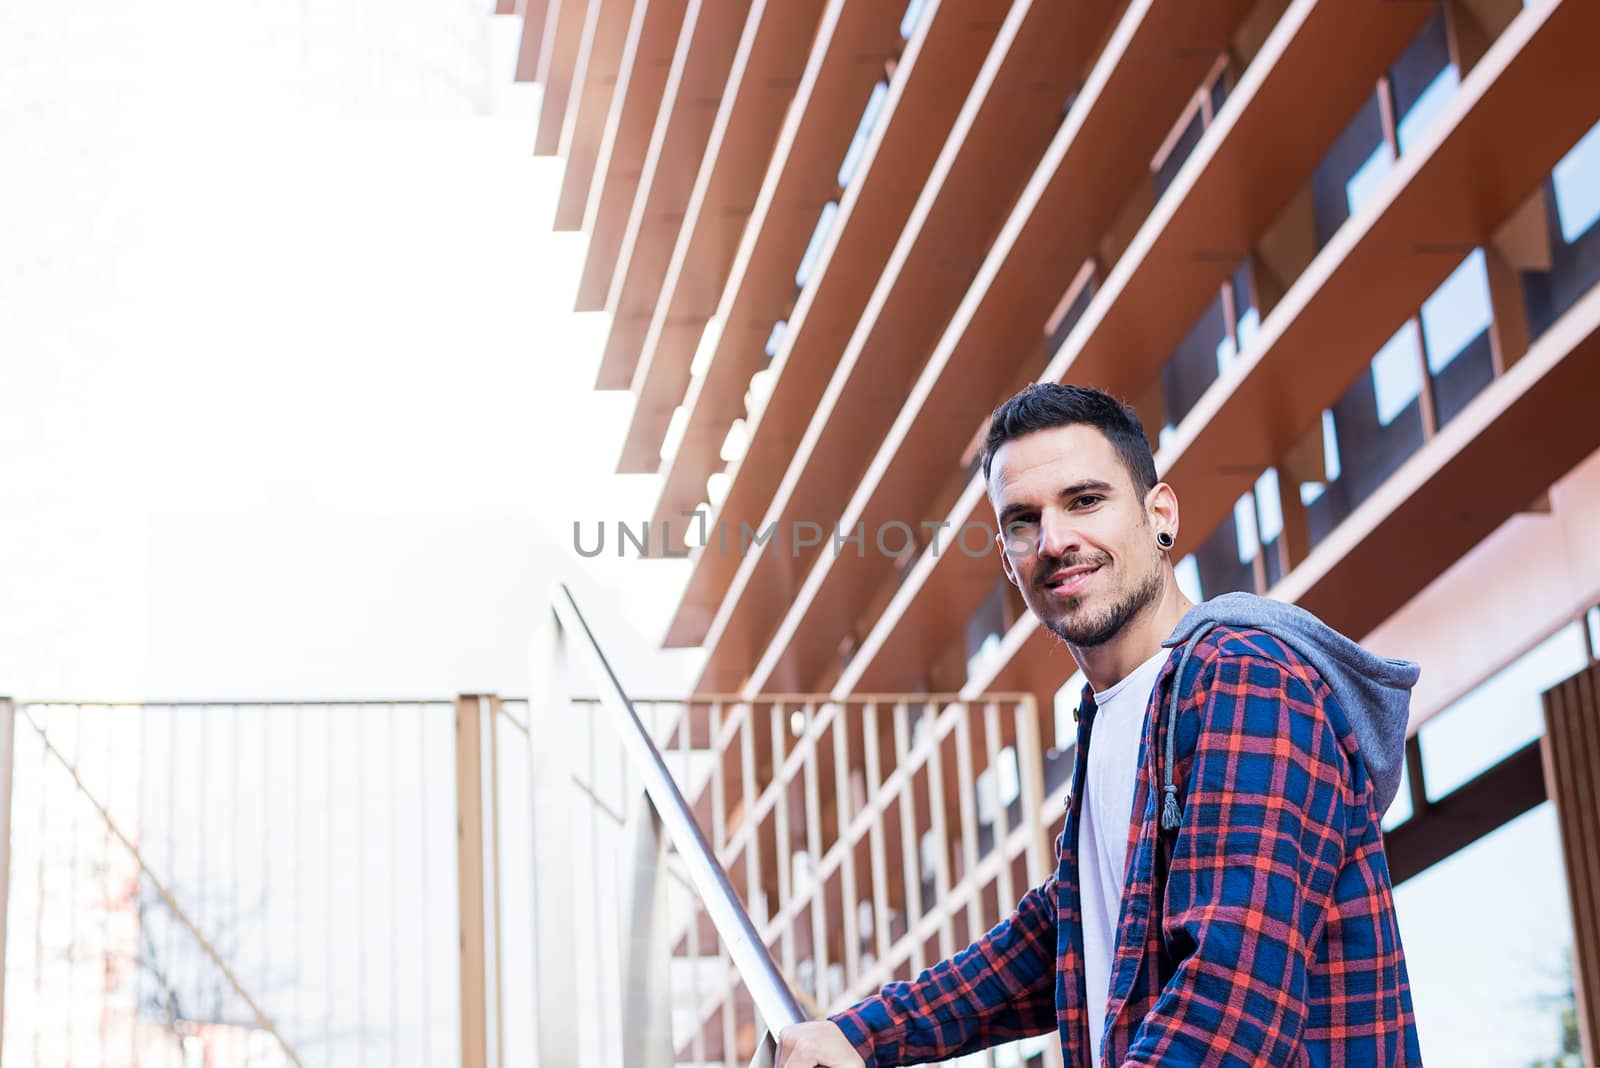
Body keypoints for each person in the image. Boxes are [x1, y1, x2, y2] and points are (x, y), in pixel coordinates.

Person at [775, 383, 1423, 1067]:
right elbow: (1056, 935)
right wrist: (860, 1033)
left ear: (1159, 515)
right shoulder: (1120, 717)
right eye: (1023, 521)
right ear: (1007, 558)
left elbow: (1230, 1007)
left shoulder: (1246, 677)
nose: (1055, 541)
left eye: (1086, 501)